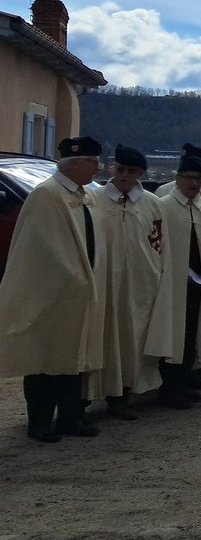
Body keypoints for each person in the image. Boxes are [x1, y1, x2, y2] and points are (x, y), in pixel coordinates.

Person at [0, 136, 108, 442]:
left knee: (73, 358)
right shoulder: (47, 195)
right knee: (45, 358)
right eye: (92, 162)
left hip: (80, 291)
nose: (97, 168)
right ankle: (40, 422)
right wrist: (73, 277)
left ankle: (71, 416)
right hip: (53, 293)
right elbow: (42, 248)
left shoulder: (85, 194)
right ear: (75, 164)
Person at [89, 144, 175, 420]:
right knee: (100, 337)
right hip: (104, 281)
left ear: (140, 173)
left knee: (132, 339)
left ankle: (123, 394)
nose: (125, 175)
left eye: (132, 171)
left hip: (140, 284)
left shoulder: (153, 204)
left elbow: (161, 245)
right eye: (121, 169)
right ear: (112, 168)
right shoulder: (94, 199)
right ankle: (87, 395)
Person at [156, 149, 201, 404]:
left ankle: (185, 378)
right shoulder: (164, 206)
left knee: (192, 332)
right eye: (188, 177)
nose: (193, 183)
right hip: (173, 283)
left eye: (198, 179)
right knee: (173, 333)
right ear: (177, 179)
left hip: (199, 280)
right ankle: (169, 386)